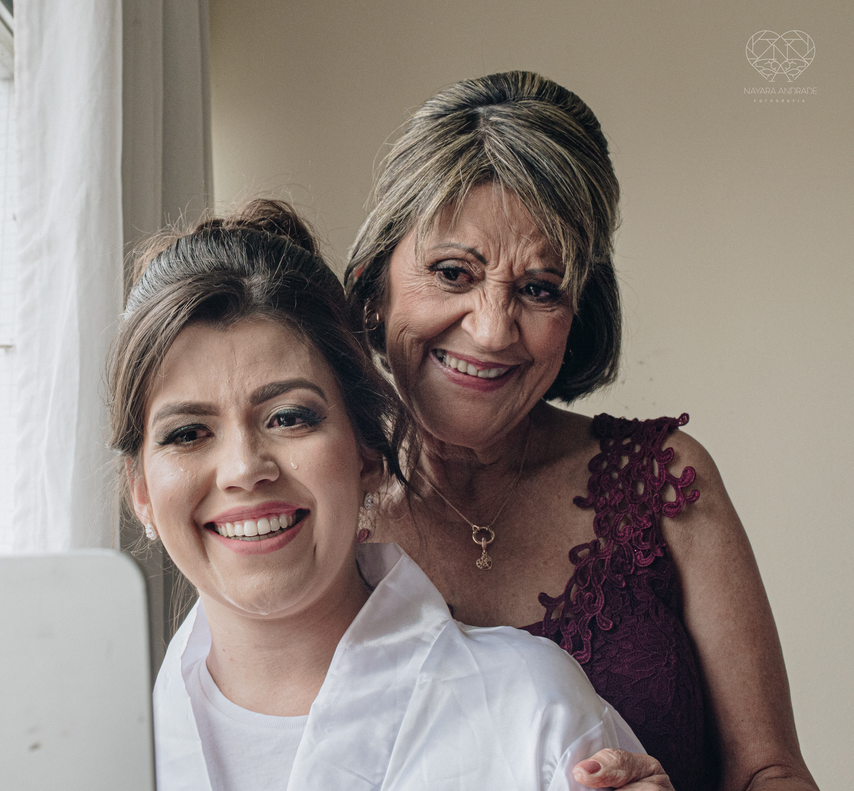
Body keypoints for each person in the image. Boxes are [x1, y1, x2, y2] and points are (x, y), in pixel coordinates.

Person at [344, 71, 818, 791]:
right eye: (453, 273)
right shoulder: (326, 508)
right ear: (373, 286)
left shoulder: (663, 483)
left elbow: (770, 771)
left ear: (577, 315)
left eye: (539, 289)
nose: (492, 329)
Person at [108, 200, 642, 790]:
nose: (243, 470)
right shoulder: (96, 759)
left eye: (289, 417)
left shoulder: (534, 711)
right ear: (141, 491)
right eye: (187, 433)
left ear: (368, 451)